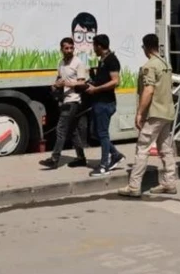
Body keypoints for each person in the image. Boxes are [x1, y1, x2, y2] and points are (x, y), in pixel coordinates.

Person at [119, 34, 177, 198]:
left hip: (155, 112)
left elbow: (149, 90)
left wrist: (139, 113)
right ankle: (169, 182)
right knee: (165, 149)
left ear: (145, 47)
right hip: (167, 111)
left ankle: (134, 186)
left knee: (142, 147)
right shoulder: (166, 64)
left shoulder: (149, 66)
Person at [41, 37, 89, 170]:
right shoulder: (61, 63)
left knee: (61, 129)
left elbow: (81, 83)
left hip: (74, 100)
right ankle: (81, 158)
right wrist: (55, 86)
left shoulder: (78, 63)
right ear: (61, 49)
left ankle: (55, 159)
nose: (69, 50)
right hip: (65, 99)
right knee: (72, 131)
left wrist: (67, 84)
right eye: (66, 48)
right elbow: (60, 79)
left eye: (71, 48)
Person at [85, 34, 125, 176]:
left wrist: (96, 89)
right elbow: (103, 79)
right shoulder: (103, 60)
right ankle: (115, 155)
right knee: (96, 132)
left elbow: (115, 81)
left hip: (105, 103)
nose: (93, 49)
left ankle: (104, 166)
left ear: (99, 46)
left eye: (94, 46)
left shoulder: (112, 60)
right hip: (98, 101)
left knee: (102, 134)